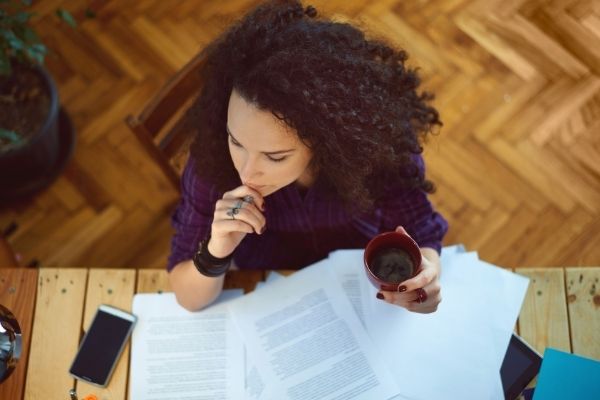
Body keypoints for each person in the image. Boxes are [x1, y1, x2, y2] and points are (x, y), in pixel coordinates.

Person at [167, 0, 448, 313]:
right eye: (236, 141)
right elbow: (187, 296)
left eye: (275, 157)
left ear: (324, 140)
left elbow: (422, 231)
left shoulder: (380, 152)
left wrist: (425, 279)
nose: (246, 173)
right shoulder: (212, 163)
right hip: (267, 287)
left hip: (356, 280)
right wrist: (216, 251)